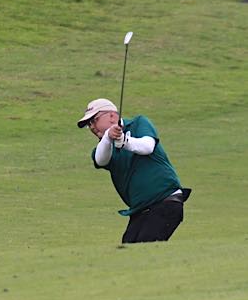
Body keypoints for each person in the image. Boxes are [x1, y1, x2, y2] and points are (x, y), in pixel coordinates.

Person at [77, 98, 191, 243]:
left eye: (94, 120)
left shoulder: (138, 123)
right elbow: (100, 160)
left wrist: (125, 141)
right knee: (128, 248)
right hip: (141, 210)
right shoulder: (104, 147)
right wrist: (108, 137)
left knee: (144, 247)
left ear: (112, 116)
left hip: (165, 201)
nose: (92, 127)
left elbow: (147, 146)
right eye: (89, 124)